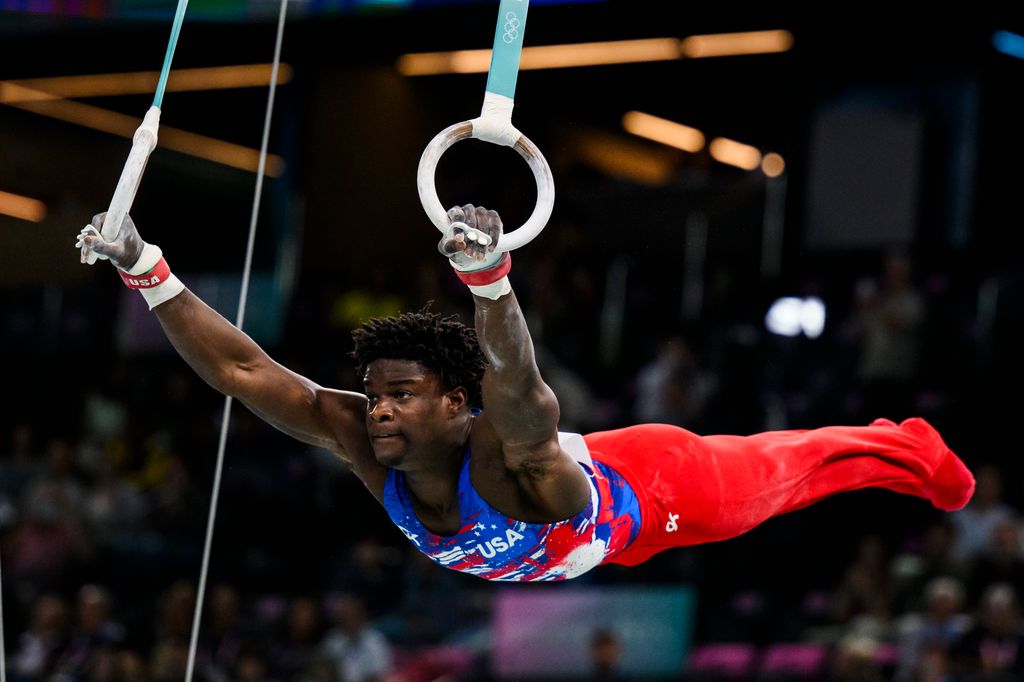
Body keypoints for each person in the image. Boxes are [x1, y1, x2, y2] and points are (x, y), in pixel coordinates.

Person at [76, 205, 976, 582]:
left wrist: (490, 280)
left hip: (660, 491)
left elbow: (518, 385)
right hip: (590, 528)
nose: (377, 409)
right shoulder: (361, 439)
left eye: (400, 395)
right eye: (374, 394)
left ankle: (917, 454)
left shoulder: (506, 449)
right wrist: (144, 269)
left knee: (804, 466)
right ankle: (903, 448)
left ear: (454, 403)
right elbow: (243, 373)